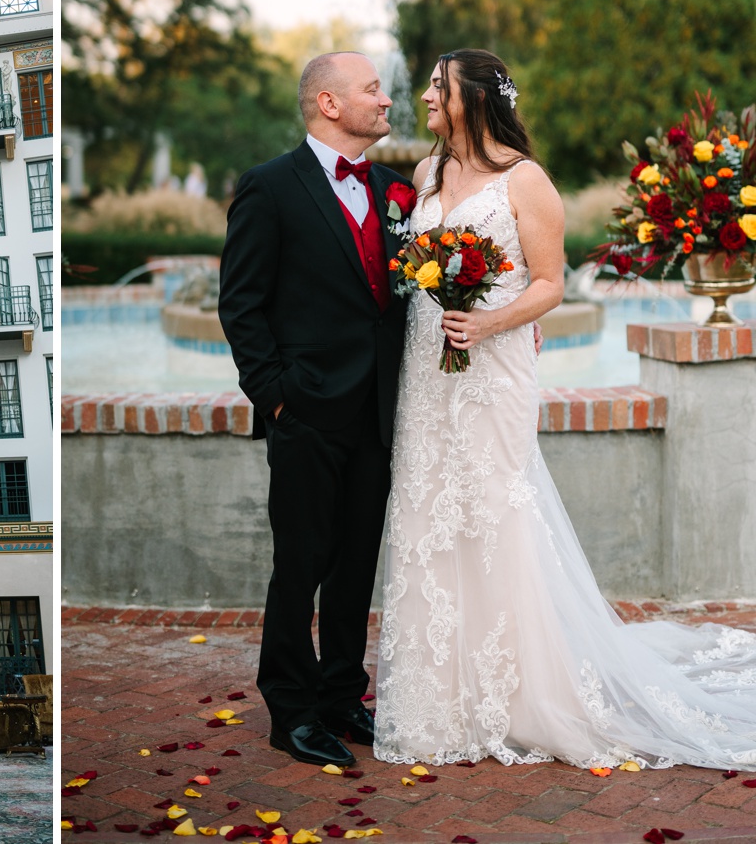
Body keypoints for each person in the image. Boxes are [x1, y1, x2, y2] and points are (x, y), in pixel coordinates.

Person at [374, 48, 756, 771]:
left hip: (496, 364)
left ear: (475, 99)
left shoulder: (528, 180)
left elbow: (551, 285)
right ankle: (437, 698)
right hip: (430, 369)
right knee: (428, 513)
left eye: (437, 86)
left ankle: (521, 698)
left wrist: (485, 323)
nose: (425, 95)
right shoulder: (426, 174)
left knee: (494, 510)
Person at [218, 52, 411, 767]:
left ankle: (340, 694)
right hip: (304, 411)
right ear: (329, 103)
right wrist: (275, 395)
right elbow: (240, 305)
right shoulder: (270, 188)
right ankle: (292, 710)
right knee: (300, 564)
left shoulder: (396, 191)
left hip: (380, 411)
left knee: (357, 564)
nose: (386, 100)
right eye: (372, 90)